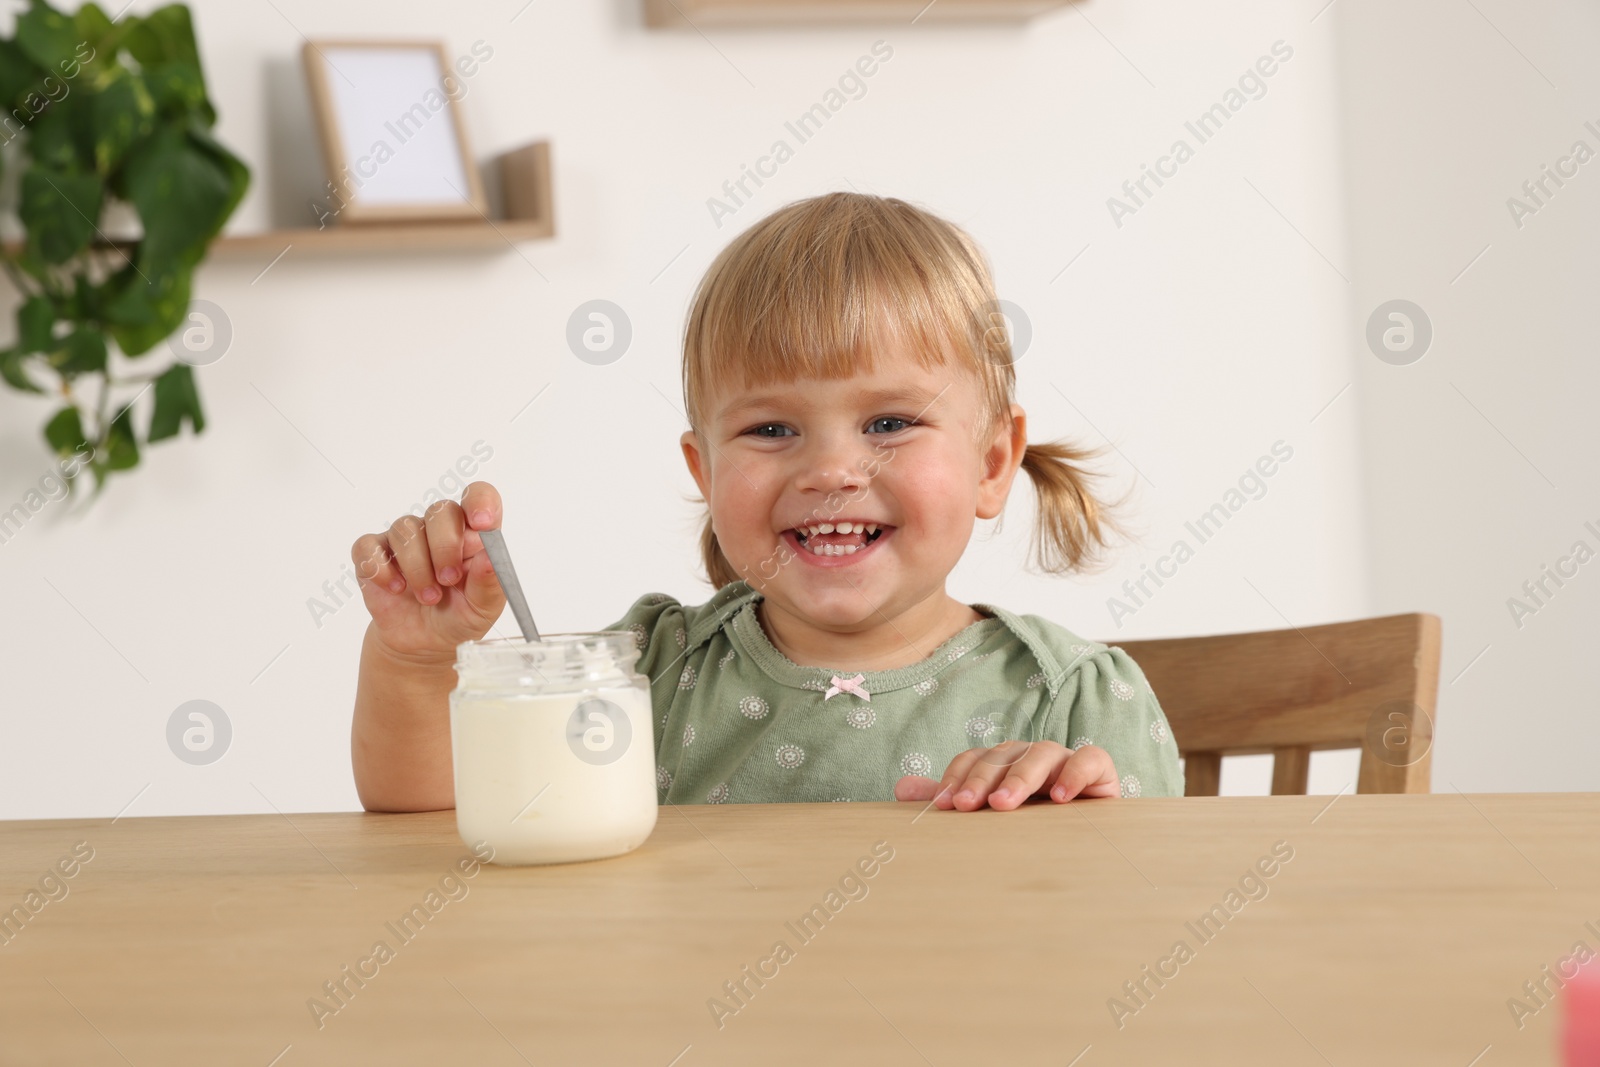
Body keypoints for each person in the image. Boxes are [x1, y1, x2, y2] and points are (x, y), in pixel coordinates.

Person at [349, 191, 1183, 813]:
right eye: (773, 428)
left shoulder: (1074, 700)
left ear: (992, 460)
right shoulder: (648, 672)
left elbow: (1146, 929)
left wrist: (1078, 818)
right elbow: (439, 815)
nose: (830, 468)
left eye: (889, 421)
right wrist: (417, 663)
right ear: (705, 474)